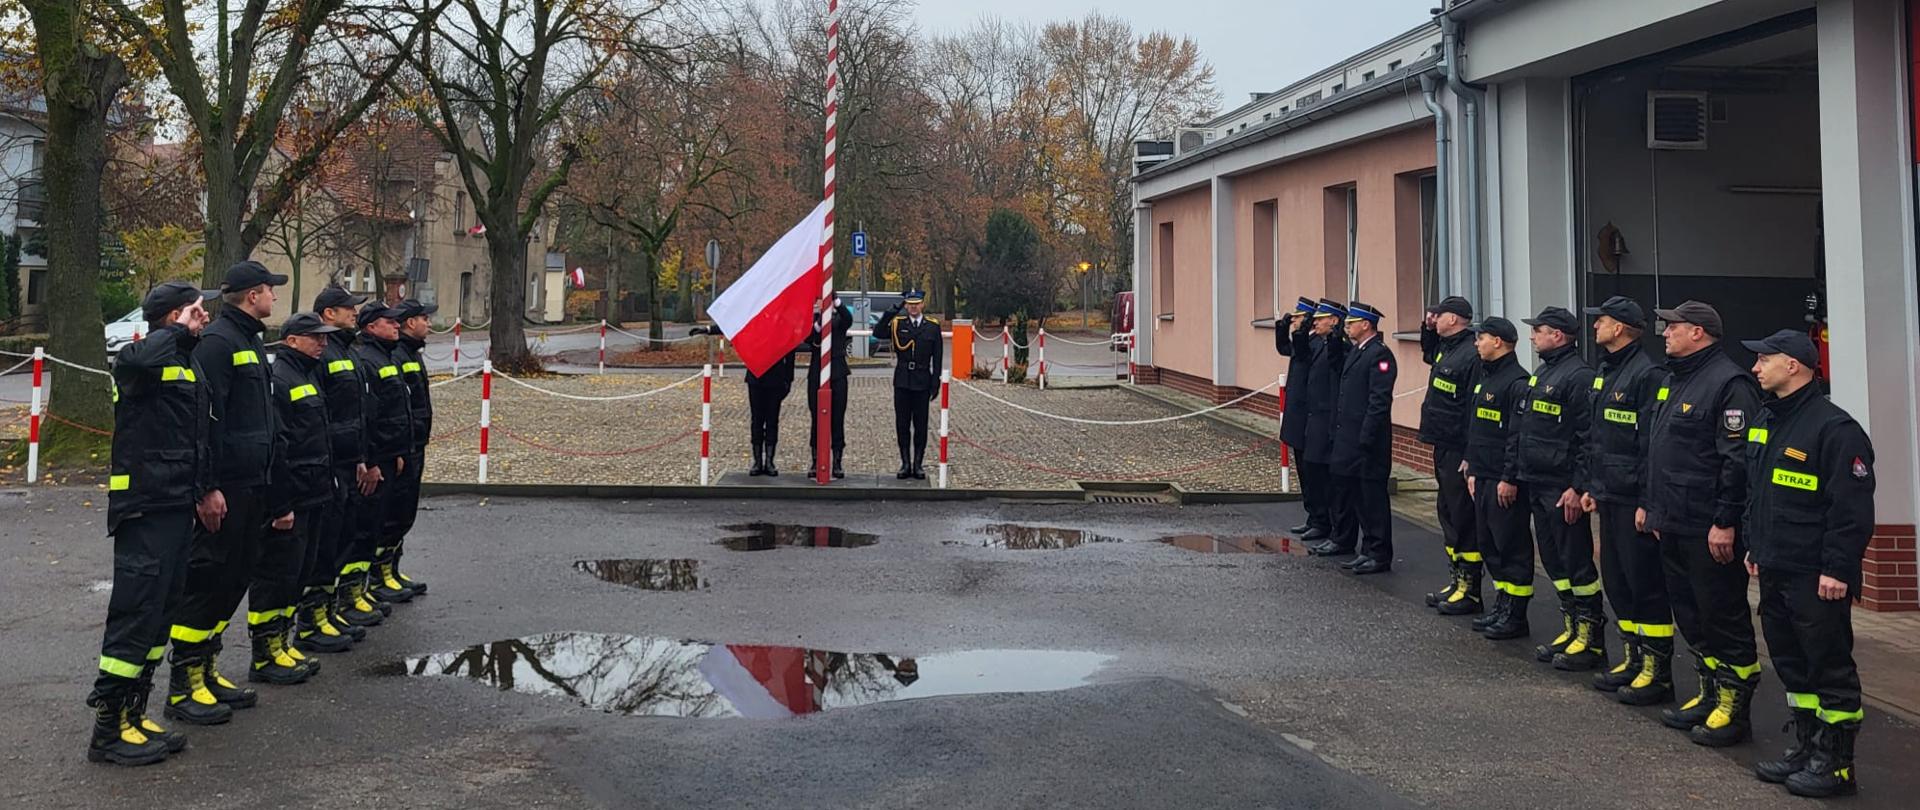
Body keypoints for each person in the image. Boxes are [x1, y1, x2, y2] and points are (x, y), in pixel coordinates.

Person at [87, 281, 218, 765]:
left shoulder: (186, 362)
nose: (204, 317)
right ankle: (108, 731)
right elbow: (137, 363)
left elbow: (197, 437)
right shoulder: (140, 357)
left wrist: (206, 489)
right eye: (195, 310)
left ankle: (133, 713)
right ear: (173, 315)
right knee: (136, 612)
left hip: (176, 503)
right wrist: (178, 330)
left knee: (160, 614)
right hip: (145, 505)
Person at [1741, 329, 1873, 797]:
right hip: (1776, 566)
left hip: (1816, 575)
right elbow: (1758, 492)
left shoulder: (1834, 429)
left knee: (1828, 666)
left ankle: (1836, 764)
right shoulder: (1768, 419)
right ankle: (1807, 747)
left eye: (1764, 359)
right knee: (1792, 663)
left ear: (1793, 365)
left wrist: (1838, 569)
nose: (1756, 368)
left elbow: (1851, 511)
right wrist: (1754, 545)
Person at [166, 261, 286, 722]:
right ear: (253, 295)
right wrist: (208, 487)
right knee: (207, 580)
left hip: (253, 482)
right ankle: (184, 683)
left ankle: (206, 669)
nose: (274, 297)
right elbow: (205, 422)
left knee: (234, 577)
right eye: (270, 290)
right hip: (227, 486)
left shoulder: (249, 340)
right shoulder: (219, 342)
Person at [1642, 300, 1763, 747]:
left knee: (1721, 614)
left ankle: (1734, 706)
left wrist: (1725, 520)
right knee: (1691, 614)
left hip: (1707, 525)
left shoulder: (1729, 384)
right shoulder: (1675, 379)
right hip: (1674, 519)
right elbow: (1661, 452)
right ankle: (1710, 692)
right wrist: (1655, 509)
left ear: (1698, 332)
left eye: (1673, 326)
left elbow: (1736, 462)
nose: (1665, 333)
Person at [1577, 296, 1674, 700]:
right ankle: (1633, 658)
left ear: (1619, 328)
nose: (1594, 326)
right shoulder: (1606, 371)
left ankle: (1657, 671)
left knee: (1644, 584)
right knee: (1617, 582)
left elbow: (1650, 446)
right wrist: (1591, 486)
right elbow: (1598, 437)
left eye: (1600, 321)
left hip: (1633, 500)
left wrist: (1646, 502)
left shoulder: (1647, 375)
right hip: (1609, 495)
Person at [248, 313, 340, 687]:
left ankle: (281, 643)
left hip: (313, 493)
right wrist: (280, 504)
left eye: (325, 337)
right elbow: (278, 448)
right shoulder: (281, 379)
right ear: (291, 341)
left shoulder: (307, 374)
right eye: (315, 337)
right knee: (276, 576)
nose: (323, 343)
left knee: (297, 575)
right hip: (292, 498)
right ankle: (264, 653)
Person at [1511, 306, 1602, 670]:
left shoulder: (1578, 377)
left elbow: (1587, 438)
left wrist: (1576, 486)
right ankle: (1572, 627)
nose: (1533, 336)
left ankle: (1591, 639)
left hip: (1561, 487)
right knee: (1554, 561)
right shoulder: (1544, 372)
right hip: (1538, 481)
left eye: (1539, 330)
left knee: (1576, 562)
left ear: (1558, 336)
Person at [305, 287, 372, 650]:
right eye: (349, 308)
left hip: (347, 461)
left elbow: (355, 411)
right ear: (329, 313)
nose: (355, 313)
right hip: (328, 463)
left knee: (340, 540)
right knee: (323, 545)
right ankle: (311, 620)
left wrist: (360, 456)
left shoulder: (346, 349)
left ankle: (328, 610)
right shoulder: (322, 352)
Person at [341, 302, 415, 630]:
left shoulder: (386, 356)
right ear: (371, 327)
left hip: (389, 454)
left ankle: (366, 586)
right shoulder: (368, 359)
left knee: (378, 524)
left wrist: (398, 451)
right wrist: (369, 461)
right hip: (375, 458)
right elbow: (368, 417)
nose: (397, 326)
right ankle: (351, 594)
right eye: (390, 322)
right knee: (363, 529)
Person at [1462, 317, 1535, 635]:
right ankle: (1502, 605)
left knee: (1511, 545)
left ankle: (1516, 616)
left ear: (1498, 342)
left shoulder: (1517, 382)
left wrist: (1510, 478)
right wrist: (1473, 468)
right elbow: (1478, 427)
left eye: (1482, 337)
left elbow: (1516, 437)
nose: (1476, 343)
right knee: (1489, 544)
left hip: (1503, 479)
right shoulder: (1486, 377)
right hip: (1483, 474)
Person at [371, 299, 436, 601]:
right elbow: (391, 408)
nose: (429, 324)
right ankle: (379, 575)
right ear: (412, 322)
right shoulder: (396, 354)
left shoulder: (409, 352)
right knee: (392, 514)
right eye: (424, 318)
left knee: (404, 513)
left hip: (414, 442)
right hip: (401, 446)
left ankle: (392, 568)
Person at [1326, 300, 1395, 575]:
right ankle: (1367, 549)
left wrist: (1366, 437)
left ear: (1366, 324)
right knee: (1359, 497)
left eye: (1351, 323)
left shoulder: (1380, 355)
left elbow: (1379, 401)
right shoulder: (1358, 351)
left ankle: (1379, 553)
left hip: (1369, 442)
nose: (1347, 327)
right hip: (1351, 438)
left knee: (1372, 499)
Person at [1418, 296, 1478, 609]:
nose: (1434, 318)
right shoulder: (1448, 347)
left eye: (1438, 315)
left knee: (1462, 516)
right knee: (1447, 512)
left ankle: (1470, 589)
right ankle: (1456, 580)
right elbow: (1429, 353)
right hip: (1442, 442)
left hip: (1458, 446)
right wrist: (1428, 328)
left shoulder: (1470, 354)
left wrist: (1470, 453)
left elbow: (1471, 409)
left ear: (1452, 319)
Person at [873, 289, 943, 480]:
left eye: (916, 304)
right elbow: (878, 332)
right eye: (910, 304)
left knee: (921, 425)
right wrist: (892, 311)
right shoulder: (898, 324)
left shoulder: (932, 326)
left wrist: (935, 381)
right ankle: (905, 463)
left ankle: (918, 464)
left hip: (922, 380)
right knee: (902, 424)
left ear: (922, 305)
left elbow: (937, 356)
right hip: (903, 380)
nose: (913, 307)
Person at [1301, 300, 1351, 556]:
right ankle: (1322, 522)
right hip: (1316, 418)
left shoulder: (1340, 346)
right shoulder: (1318, 343)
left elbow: (1337, 365)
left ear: (1334, 321)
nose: (1315, 321)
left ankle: (1336, 531)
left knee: (1332, 481)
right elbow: (1295, 352)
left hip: (1329, 419)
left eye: (1321, 318)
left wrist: (1336, 337)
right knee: (1315, 473)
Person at [1275, 297, 1324, 539]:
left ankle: (1319, 518)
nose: (1294, 321)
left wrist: (1300, 332)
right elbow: (1284, 348)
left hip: (1308, 416)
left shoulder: (1315, 343)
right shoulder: (1304, 341)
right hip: (1297, 416)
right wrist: (1282, 328)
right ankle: (1312, 516)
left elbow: (1302, 354)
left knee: (1313, 473)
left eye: (1298, 318)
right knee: (1303, 471)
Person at [806, 297, 855, 478]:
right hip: (817, 373)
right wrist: (820, 321)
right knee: (816, 418)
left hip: (837, 372)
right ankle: (816, 460)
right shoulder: (813, 321)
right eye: (820, 300)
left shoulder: (839, 320)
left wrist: (836, 301)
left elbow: (848, 318)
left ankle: (837, 461)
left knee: (837, 418)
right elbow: (809, 337)